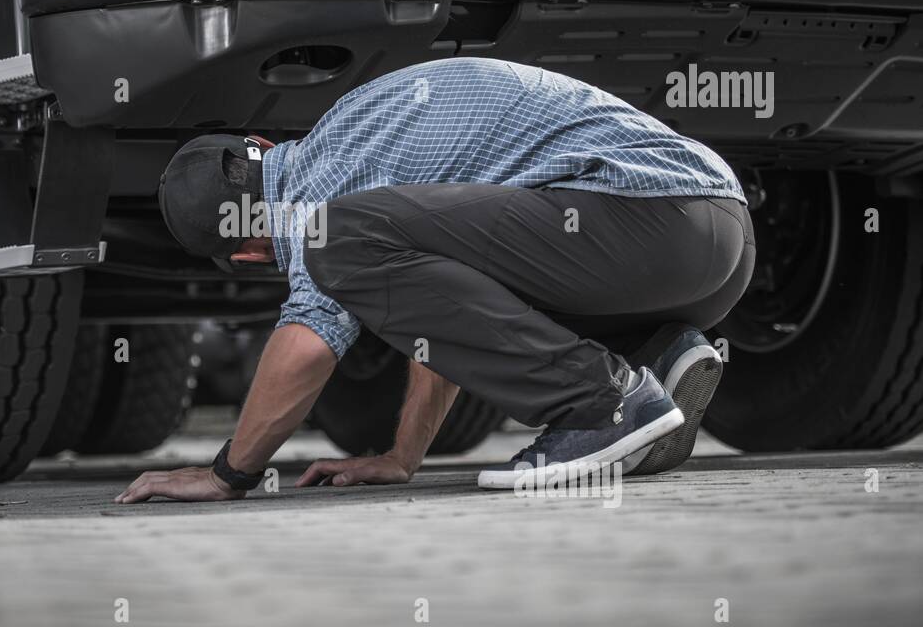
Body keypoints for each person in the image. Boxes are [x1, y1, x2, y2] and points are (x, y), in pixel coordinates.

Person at [116, 58, 754, 503]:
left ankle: (604, 403)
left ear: (249, 257)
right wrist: (404, 456)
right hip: (715, 241)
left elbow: (307, 343)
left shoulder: (316, 212)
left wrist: (229, 474)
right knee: (394, 244)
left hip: (649, 226)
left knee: (339, 240)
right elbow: (447, 304)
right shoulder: (350, 120)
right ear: (259, 142)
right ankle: (655, 360)